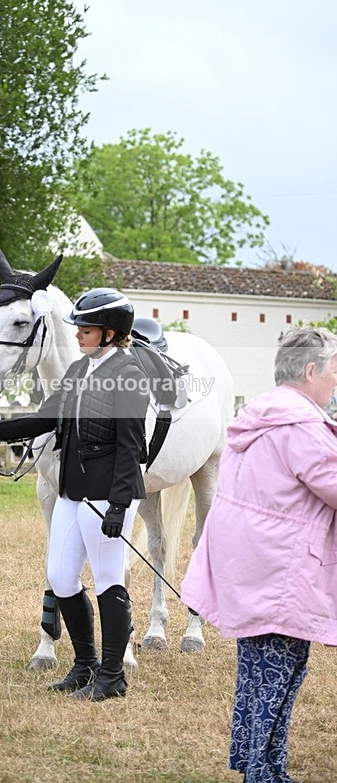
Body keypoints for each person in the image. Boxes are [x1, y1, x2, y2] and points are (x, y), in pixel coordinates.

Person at [0, 288, 149, 700]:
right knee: (61, 577)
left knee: (108, 581)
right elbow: (45, 418)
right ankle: (85, 665)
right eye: (79, 326)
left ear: (111, 333)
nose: (78, 333)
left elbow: (132, 447)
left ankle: (113, 677)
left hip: (107, 495)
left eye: (87, 328)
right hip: (73, 491)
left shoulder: (130, 375)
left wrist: (119, 505)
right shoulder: (80, 371)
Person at [181, 327, 337, 783]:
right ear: (311, 371)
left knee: (262, 674)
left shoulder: (260, 416)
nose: (336, 382)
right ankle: (262, 773)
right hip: (279, 569)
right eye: (334, 372)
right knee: (276, 674)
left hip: (251, 564)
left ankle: (262, 765)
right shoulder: (301, 428)